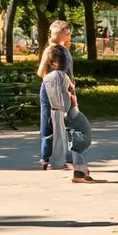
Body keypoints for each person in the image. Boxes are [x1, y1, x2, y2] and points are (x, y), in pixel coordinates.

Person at [42, 45, 97, 183]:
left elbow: (46, 101)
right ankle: (79, 170)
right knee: (83, 139)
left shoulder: (49, 78)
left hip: (62, 113)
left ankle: (80, 171)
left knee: (78, 140)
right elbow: (65, 99)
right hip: (69, 112)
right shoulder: (61, 77)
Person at [36, 20, 76, 170]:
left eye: (68, 31)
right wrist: (54, 80)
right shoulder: (50, 50)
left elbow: (70, 73)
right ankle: (46, 158)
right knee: (49, 122)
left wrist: (71, 87)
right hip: (51, 89)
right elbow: (41, 72)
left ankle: (66, 156)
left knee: (68, 121)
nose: (68, 33)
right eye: (64, 31)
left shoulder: (65, 49)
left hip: (65, 89)